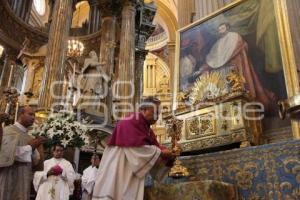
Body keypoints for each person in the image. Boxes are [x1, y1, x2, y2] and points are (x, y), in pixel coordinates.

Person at [92, 96, 176, 200]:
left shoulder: (147, 129)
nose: (157, 117)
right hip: (120, 166)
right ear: (144, 110)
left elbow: (154, 149)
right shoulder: (130, 121)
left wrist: (170, 155)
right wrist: (162, 153)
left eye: (158, 114)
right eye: (155, 113)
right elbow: (138, 149)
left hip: (131, 170)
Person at [197, 23, 276, 111]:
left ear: (227, 28)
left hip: (236, 65)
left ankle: (241, 105)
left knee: (237, 85)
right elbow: (214, 56)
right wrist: (209, 64)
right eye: (219, 29)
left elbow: (238, 48)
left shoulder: (234, 36)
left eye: (222, 28)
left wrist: (227, 59)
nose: (220, 30)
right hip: (224, 68)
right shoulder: (218, 42)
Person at [0, 106, 44, 200]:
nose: (33, 118)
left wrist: (37, 148)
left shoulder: (29, 137)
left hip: (24, 179)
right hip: (8, 177)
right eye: (30, 114)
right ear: (20, 114)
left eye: (34, 115)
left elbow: (35, 162)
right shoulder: (7, 131)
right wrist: (30, 147)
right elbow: (5, 155)